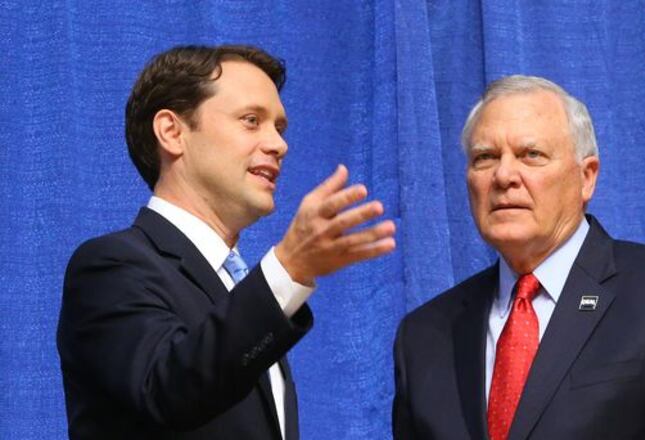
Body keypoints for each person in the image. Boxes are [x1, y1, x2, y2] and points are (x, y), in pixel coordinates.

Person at [392, 75, 645, 439]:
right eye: (485, 158)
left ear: (586, 178)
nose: (504, 175)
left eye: (531, 155)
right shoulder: (423, 337)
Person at [57, 44, 396, 440]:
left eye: (280, 128)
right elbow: (169, 389)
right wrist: (288, 269)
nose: (279, 145)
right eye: (251, 121)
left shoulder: (240, 292)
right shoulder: (110, 267)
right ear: (172, 132)